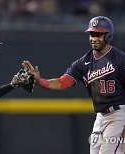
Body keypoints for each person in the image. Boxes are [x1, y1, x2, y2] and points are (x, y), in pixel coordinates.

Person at [22, 16, 125, 154]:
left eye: (98, 34)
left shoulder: (120, 59)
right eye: (92, 34)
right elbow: (61, 83)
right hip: (101, 116)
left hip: (119, 114)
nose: (94, 38)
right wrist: (40, 80)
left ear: (109, 34)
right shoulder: (82, 63)